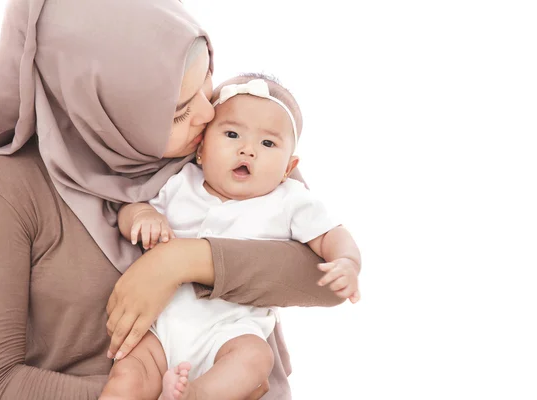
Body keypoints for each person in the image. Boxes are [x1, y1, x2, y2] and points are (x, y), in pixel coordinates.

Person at [0, 0, 356, 399]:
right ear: (103, 109)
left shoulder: (224, 136)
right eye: (179, 110)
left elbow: (321, 278)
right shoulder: (8, 188)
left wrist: (180, 261)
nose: (206, 113)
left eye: (207, 83)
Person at [101, 75, 361, 400]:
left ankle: (193, 395)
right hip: (162, 322)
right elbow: (130, 211)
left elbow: (331, 236)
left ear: (287, 168)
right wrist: (142, 217)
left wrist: (347, 261)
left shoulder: (289, 200)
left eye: (268, 144)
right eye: (232, 134)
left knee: (255, 357)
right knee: (128, 372)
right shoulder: (181, 184)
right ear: (201, 148)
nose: (247, 150)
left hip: (230, 330)